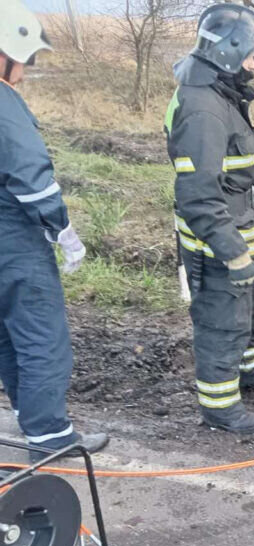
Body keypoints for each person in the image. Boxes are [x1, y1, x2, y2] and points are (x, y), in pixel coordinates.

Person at [0, 0, 108, 458]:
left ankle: (35, 423)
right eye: (25, 58)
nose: (26, 69)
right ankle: (51, 437)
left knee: (7, 336)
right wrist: (61, 228)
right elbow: (30, 176)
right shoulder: (3, 102)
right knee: (41, 337)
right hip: (13, 243)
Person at [164, 3, 254, 434]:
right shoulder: (203, 112)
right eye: (251, 54)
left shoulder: (218, 93)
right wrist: (233, 254)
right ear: (228, 51)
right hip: (214, 243)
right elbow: (197, 196)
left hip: (234, 230)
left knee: (252, 307)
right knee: (222, 322)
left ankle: (247, 370)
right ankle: (219, 406)